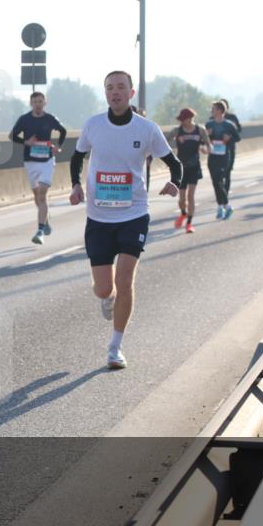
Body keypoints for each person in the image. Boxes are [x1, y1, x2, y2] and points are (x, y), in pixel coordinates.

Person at [69, 71, 182, 369]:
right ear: (105, 93)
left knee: (125, 279)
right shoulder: (93, 125)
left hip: (134, 214)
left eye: (121, 87)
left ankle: (115, 348)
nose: (115, 92)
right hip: (98, 216)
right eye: (109, 88)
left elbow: (174, 163)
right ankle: (108, 298)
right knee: (104, 289)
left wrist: (175, 182)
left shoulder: (147, 129)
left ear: (131, 93)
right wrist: (76, 185)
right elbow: (76, 157)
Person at [9, 92, 67, 244]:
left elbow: (63, 131)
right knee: (37, 196)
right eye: (35, 101)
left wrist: (58, 147)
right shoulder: (24, 119)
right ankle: (45, 220)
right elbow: (13, 135)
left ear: (45, 103)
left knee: (42, 194)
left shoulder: (49, 119)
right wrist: (26, 142)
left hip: (47, 160)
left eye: (40, 101)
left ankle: (40, 230)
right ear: (31, 103)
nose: (38, 104)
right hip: (31, 161)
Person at [167, 107, 209, 233]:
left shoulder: (200, 130)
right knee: (181, 199)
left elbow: (207, 143)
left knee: (191, 196)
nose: (181, 121)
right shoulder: (177, 131)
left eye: (183, 119)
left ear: (190, 118)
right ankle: (183, 213)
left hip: (194, 167)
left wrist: (206, 149)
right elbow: (164, 142)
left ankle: (189, 224)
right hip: (181, 168)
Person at [204, 101, 241, 218]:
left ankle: (227, 206)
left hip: (224, 156)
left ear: (220, 110)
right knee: (215, 181)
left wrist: (229, 138)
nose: (212, 111)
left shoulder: (229, 125)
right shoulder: (209, 124)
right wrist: (208, 136)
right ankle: (221, 206)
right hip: (213, 156)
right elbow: (202, 140)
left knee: (219, 180)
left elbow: (237, 138)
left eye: (214, 109)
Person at [218, 99, 242, 197]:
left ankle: (225, 195)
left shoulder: (232, 118)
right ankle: (221, 193)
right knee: (218, 174)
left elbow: (238, 131)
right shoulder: (212, 119)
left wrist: (230, 136)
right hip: (217, 151)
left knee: (227, 172)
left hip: (229, 148)